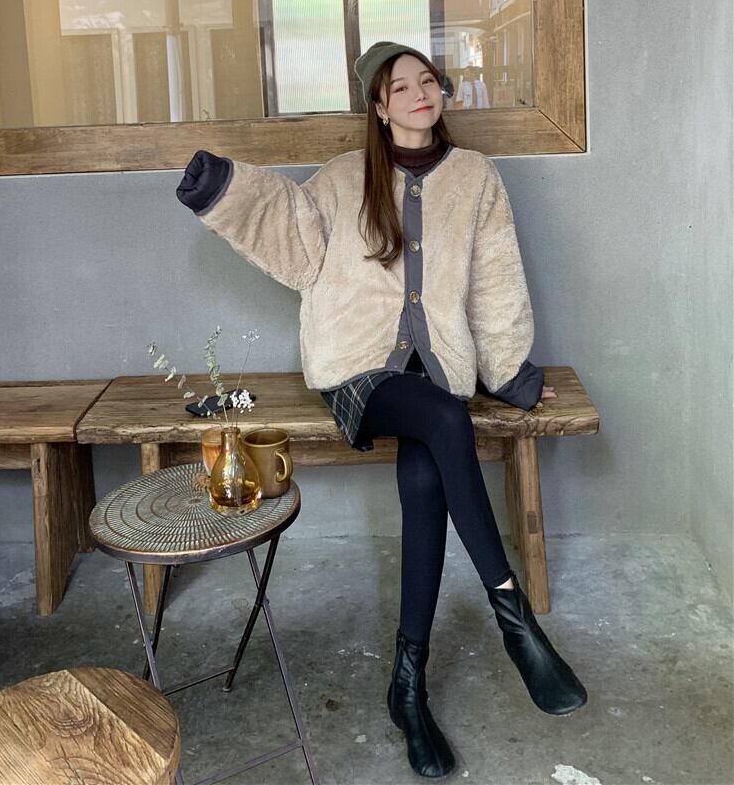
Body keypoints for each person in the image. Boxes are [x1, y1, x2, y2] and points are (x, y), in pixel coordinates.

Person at [176, 41, 587, 779]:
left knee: (427, 474)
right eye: (401, 87)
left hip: (439, 370)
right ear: (378, 105)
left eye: (429, 80)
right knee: (446, 421)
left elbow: (496, 281)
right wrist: (221, 187)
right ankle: (515, 620)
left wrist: (511, 375)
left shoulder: (476, 178)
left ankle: (408, 688)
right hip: (360, 370)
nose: (421, 93)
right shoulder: (342, 179)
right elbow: (289, 234)